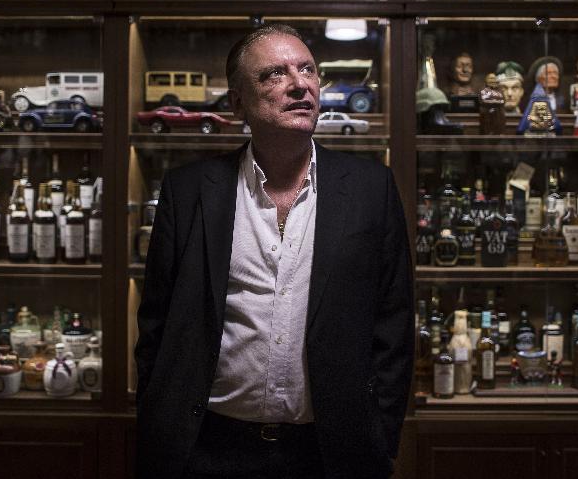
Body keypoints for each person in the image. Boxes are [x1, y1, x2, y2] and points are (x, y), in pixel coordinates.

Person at [135, 24, 414, 479]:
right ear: (237, 102)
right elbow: (156, 326)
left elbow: (394, 323)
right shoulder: (189, 192)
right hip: (207, 449)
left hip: (332, 453)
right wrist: (158, 421)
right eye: (274, 75)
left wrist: (378, 435)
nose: (300, 83)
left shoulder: (370, 188)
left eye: (307, 70)